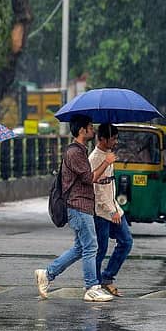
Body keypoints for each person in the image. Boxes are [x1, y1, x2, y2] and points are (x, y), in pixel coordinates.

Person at [34, 115, 117, 302]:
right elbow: (89, 178)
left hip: (82, 205)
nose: (93, 130)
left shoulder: (80, 150)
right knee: (91, 246)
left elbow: (85, 179)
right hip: (78, 205)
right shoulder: (75, 153)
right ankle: (91, 287)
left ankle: (47, 274)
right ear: (82, 130)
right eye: (90, 127)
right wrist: (106, 162)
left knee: (81, 248)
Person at [89, 123, 133, 297]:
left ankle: (107, 277)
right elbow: (97, 191)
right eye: (113, 138)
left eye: (116, 138)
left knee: (126, 242)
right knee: (100, 250)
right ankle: (95, 284)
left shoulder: (109, 156)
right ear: (102, 139)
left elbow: (109, 187)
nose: (115, 142)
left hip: (115, 208)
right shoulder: (94, 159)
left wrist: (115, 209)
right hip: (101, 212)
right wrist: (110, 211)